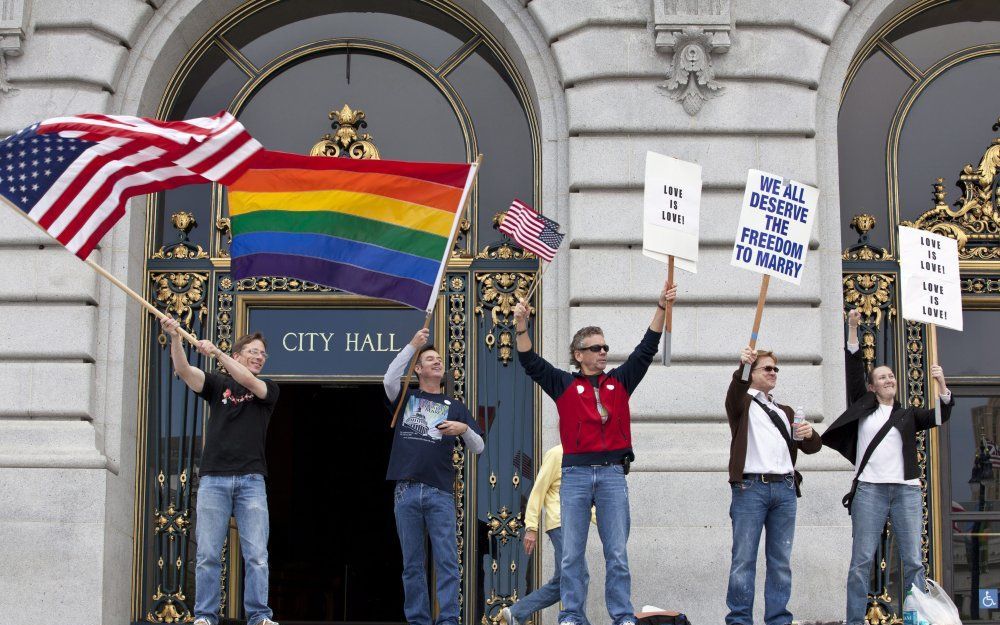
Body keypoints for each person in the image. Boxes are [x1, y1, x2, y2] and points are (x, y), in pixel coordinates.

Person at [512, 280, 676, 625]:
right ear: (579, 354)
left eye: (605, 347)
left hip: (613, 473)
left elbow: (645, 350)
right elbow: (529, 360)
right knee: (571, 555)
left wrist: (661, 307)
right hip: (575, 475)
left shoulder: (620, 381)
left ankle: (621, 615)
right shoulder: (564, 384)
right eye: (596, 347)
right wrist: (522, 326)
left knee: (616, 552)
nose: (603, 352)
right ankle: (572, 615)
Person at [822, 309, 954, 625]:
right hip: (870, 490)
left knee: (912, 562)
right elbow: (854, 368)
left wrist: (942, 386)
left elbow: (940, 416)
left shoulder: (907, 415)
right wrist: (852, 328)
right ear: (872, 387)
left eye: (891, 376)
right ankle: (854, 621)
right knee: (861, 561)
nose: (889, 379)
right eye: (882, 377)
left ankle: (916, 619)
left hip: (906, 491)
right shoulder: (863, 407)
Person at [160, 317, 280, 625]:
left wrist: (217, 354)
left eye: (263, 354)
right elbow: (186, 373)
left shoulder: (268, 389)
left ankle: (258, 616)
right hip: (214, 478)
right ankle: (205, 616)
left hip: (252, 480)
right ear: (239, 355)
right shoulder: (217, 384)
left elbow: (250, 383)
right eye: (253, 351)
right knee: (208, 555)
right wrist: (175, 338)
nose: (259, 357)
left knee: (256, 555)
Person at [383, 328, 485, 625]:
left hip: (440, 491)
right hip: (406, 490)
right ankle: (418, 620)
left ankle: (449, 619)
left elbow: (479, 447)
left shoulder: (456, 407)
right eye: (430, 359)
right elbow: (389, 378)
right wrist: (412, 344)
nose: (437, 362)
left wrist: (463, 430)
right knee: (412, 564)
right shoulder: (406, 397)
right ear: (418, 369)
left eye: (440, 359)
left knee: (447, 561)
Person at [724, 346, 822, 625]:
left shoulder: (784, 410)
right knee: (743, 559)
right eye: (767, 368)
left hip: (785, 489)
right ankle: (740, 619)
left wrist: (809, 433)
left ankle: (779, 619)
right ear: (752, 374)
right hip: (750, 488)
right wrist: (741, 367)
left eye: (775, 369)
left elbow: (813, 447)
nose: (773, 373)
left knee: (781, 561)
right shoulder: (743, 404)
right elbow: (734, 394)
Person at [500, 445, 594, 625]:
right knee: (579, 574)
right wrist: (531, 527)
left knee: (562, 580)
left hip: (576, 523)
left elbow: (588, 499)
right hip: (560, 522)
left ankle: (516, 612)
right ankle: (577, 621)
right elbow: (538, 490)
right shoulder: (556, 454)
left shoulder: (585, 455)